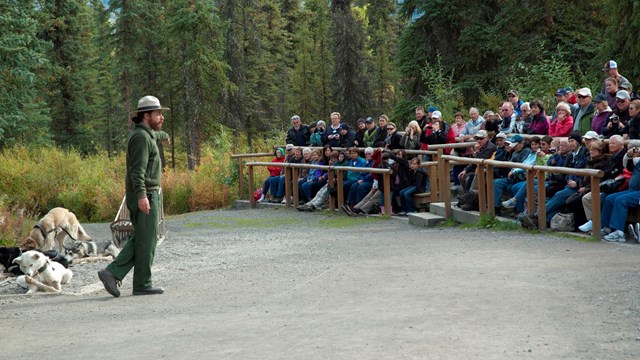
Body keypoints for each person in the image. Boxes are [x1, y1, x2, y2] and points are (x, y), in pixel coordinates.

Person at [98, 95, 168, 297]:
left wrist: (164, 135)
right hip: (145, 193)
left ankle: (131, 280)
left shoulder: (146, 134)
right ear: (147, 115)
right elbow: (137, 171)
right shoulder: (140, 138)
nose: (161, 117)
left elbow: (155, 136)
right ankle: (121, 276)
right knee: (146, 240)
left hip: (147, 192)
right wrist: (142, 196)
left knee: (145, 238)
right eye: (158, 114)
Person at [577, 135, 626, 232]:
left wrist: (587, 188)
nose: (610, 145)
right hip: (605, 185)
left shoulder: (622, 157)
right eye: (610, 143)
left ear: (621, 145)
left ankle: (596, 223)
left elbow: (614, 174)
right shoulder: (612, 157)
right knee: (582, 198)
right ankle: (594, 223)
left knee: (600, 198)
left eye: (613, 143)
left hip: (616, 186)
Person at [599, 142, 640, 242]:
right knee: (610, 198)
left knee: (620, 200)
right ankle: (607, 227)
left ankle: (619, 232)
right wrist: (630, 156)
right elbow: (628, 166)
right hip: (633, 190)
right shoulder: (637, 160)